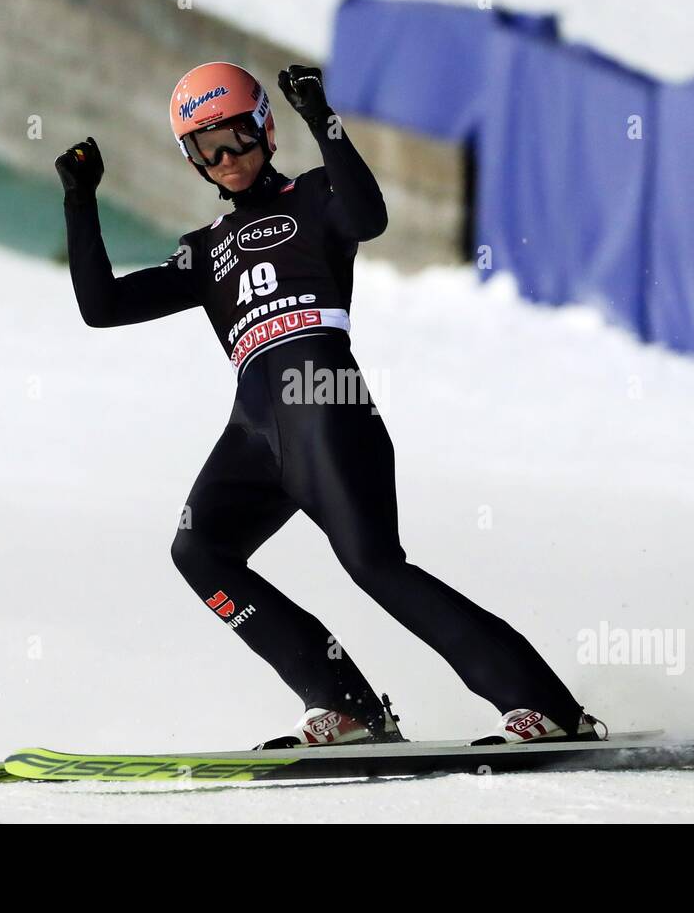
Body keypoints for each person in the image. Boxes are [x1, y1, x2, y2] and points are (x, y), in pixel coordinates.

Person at [55, 61, 602, 749]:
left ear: (266, 131)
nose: (225, 160)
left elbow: (369, 218)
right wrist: (80, 201)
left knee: (375, 565)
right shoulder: (203, 250)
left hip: (325, 400)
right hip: (255, 430)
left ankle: (543, 704)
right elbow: (101, 308)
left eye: (236, 139)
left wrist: (325, 120)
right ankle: (344, 706)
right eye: (205, 148)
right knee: (200, 549)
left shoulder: (315, 198)